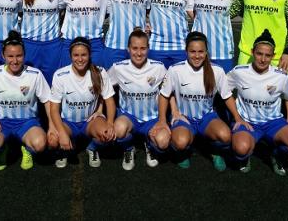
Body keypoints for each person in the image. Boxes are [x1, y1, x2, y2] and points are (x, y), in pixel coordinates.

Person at [0, 31, 53, 170]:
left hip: (27, 122)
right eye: (10, 56)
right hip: (1, 123)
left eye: (19, 56)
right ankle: (2, 149)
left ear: (24, 55)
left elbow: (48, 101)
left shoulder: (35, 74)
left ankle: (27, 148)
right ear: (3, 56)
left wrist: (52, 124)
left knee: (40, 144)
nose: (15, 60)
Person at [225, 29, 288, 175]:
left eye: (268, 55)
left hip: (273, 122)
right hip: (247, 122)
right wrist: (236, 117)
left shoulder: (280, 76)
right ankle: (246, 157)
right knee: (241, 148)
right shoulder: (239, 71)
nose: (263, 59)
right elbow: (224, 91)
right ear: (252, 52)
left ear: (273, 56)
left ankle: (276, 153)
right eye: (259, 54)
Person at [156, 31, 232, 170]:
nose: (197, 56)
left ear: (206, 52)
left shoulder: (217, 71)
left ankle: (215, 152)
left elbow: (227, 96)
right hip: (184, 118)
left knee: (226, 136)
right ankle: (182, 153)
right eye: (192, 51)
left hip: (207, 117)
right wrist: (162, 120)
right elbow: (164, 95)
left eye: (201, 51)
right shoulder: (175, 70)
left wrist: (238, 119)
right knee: (180, 142)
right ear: (186, 51)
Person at [49, 37, 116, 168]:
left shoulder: (99, 72)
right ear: (70, 56)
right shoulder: (60, 75)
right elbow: (53, 109)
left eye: (84, 55)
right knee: (53, 140)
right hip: (67, 122)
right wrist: (62, 133)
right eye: (76, 55)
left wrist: (110, 123)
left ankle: (92, 147)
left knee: (108, 135)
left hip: (89, 122)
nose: (80, 59)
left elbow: (110, 100)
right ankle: (64, 149)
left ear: (90, 54)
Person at [108, 29, 169, 170]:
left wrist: (173, 114)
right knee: (117, 131)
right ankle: (129, 148)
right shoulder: (118, 68)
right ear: (128, 49)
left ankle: (149, 144)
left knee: (163, 142)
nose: (139, 53)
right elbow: (105, 91)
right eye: (135, 48)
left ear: (148, 48)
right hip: (128, 117)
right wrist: (99, 111)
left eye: (143, 48)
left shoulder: (158, 67)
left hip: (152, 118)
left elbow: (167, 92)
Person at [21, 0, 64, 85]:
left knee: (50, 83)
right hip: (28, 44)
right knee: (29, 84)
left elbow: (72, 6)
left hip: (52, 45)